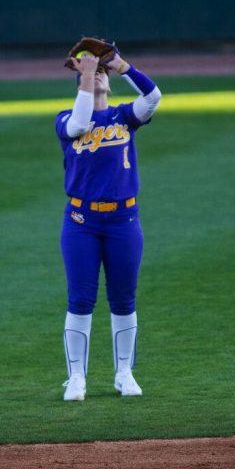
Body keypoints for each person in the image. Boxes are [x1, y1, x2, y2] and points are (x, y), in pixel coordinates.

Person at [55, 47, 161, 401]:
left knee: (123, 299)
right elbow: (81, 124)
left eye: (103, 72)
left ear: (111, 84)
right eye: (91, 73)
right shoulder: (65, 118)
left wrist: (123, 66)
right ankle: (76, 378)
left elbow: (153, 96)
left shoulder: (123, 117)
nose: (98, 74)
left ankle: (124, 373)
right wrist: (86, 75)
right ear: (81, 84)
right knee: (81, 300)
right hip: (81, 222)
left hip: (123, 220)